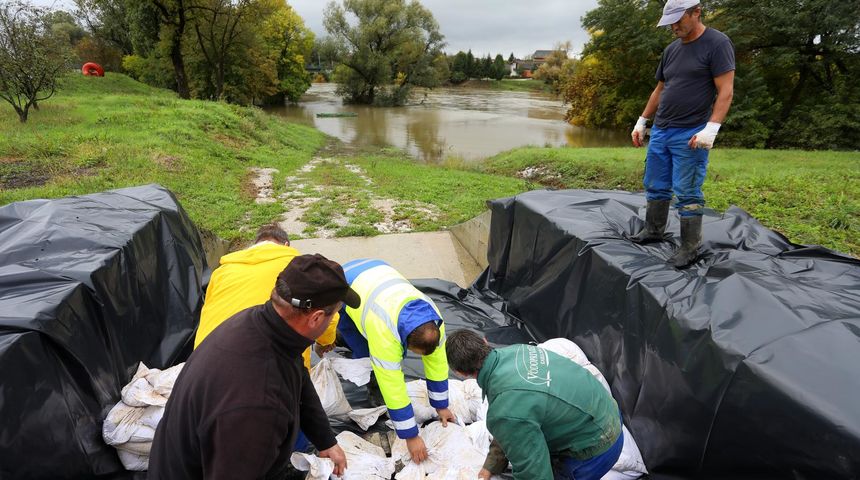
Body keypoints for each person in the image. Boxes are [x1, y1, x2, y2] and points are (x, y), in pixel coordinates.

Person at [149, 254, 361, 479]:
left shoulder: (261, 324)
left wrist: (325, 440)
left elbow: (297, 374)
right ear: (316, 318)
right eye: (334, 315)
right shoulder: (258, 405)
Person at [630, 0, 735, 267]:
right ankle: (654, 230)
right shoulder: (671, 50)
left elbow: (726, 90)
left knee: (687, 191)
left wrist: (711, 129)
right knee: (655, 184)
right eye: (670, 22)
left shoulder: (717, 43)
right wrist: (642, 121)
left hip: (690, 133)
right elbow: (660, 90)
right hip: (662, 130)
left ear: (696, 12)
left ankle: (690, 247)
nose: (674, 27)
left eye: (679, 20)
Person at [446, 329, 623, 480]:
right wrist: (493, 464)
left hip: (596, 450)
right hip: (609, 415)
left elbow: (534, 473)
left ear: (460, 373)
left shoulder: (506, 408)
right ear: (484, 341)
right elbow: (512, 423)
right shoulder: (517, 351)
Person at [337, 258, 456, 464]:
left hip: (377, 270)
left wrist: (441, 406)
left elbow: (437, 363)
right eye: (415, 352)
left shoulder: (434, 321)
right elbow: (391, 384)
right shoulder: (383, 330)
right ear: (403, 340)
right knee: (364, 351)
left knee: (380, 354)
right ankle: (341, 336)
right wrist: (410, 435)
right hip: (347, 283)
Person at [195, 224, 338, 371]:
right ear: (286, 245)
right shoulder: (296, 269)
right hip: (267, 369)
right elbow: (327, 313)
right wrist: (325, 342)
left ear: (254, 246)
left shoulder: (222, 272)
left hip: (201, 363)